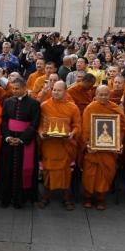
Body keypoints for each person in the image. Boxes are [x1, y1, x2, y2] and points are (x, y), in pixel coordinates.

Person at [0, 76, 40, 208]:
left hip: (25, 142)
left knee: (23, 170)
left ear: (24, 88)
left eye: (17, 88)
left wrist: (21, 139)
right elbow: (3, 121)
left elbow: (34, 124)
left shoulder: (34, 103)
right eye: (13, 88)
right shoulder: (8, 102)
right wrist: (8, 137)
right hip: (8, 142)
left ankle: (20, 199)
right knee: (6, 169)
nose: (14, 91)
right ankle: (6, 198)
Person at [81, 85, 125, 210]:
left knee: (106, 173)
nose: (103, 97)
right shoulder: (90, 108)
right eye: (100, 94)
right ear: (95, 95)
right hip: (93, 150)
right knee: (90, 174)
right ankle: (88, 197)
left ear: (109, 95)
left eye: (105, 94)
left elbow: (122, 129)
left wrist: (118, 143)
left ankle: (101, 198)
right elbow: (85, 130)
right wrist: (88, 145)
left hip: (109, 151)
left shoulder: (115, 109)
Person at [38, 81, 81, 210]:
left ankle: (66, 198)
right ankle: (45, 196)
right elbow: (40, 124)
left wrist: (73, 133)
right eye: (54, 90)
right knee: (48, 171)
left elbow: (77, 125)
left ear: (65, 91)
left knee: (65, 171)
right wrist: (40, 133)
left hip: (65, 144)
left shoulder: (72, 107)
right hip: (49, 144)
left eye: (59, 90)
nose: (56, 92)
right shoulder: (45, 105)